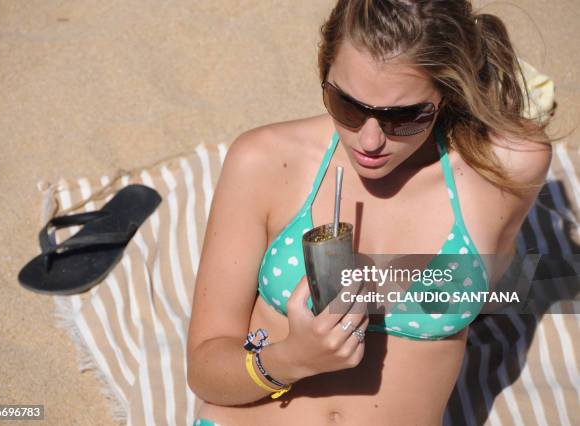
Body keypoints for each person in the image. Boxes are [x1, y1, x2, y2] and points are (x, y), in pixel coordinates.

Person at [186, 1, 552, 425]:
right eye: (348, 105)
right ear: (325, 71)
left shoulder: (500, 172)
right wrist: (292, 359)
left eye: (404, 117)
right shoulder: (266, 162)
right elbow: (205, 371)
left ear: (446, 94)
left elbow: (499, 285)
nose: (370, 139)